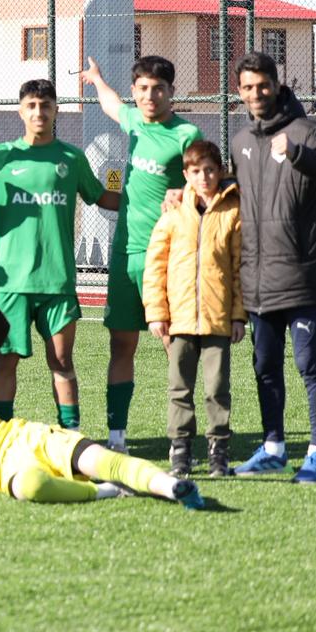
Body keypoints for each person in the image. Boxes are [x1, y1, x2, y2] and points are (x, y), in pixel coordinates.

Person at [0, 274, 205, 510]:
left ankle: (174, 488)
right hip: (2, 474)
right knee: (31, 487)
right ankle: (102, 492)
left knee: (102, 459)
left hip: (25, 438)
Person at [0, 79, 120, 429]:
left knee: (62, 361)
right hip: (12, 283)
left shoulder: (71, 157)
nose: (39, 112)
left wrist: (148, 198)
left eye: (46, 105)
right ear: (21, 111)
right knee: (5, 361)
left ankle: (71, 435)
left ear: (55, 110)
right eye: (32, 106)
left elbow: (101, 196)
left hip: (58, 280)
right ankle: (1, 435)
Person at [227, 51, 316, 483]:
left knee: (309, 364)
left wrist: (300, 154)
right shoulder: (240, 140)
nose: (256, 93)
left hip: (300, 277)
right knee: (264, 367)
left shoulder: (305, 130)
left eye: (262, 84)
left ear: (277, 84)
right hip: (258, 282)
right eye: (247, 87)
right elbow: (232, 195)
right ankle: (273, 447)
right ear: (240, 91)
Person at [78, 54, 203, 453]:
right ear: (136, 91)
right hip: (125, 255)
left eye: (159, 88)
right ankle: (117, 438)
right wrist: (97, 80)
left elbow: (209, 183)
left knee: (174, 344)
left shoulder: (187, 134)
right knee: (121, 344)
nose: (151, 95)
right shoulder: (133, 122)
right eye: (143, 89)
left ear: (171, 91)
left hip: (167, 256)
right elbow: (113, 106)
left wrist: (186, 193)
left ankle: (182, 435)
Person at [142, 140, 245, 478]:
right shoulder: (173, 214)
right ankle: (181, 451)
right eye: (197, 171)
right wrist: (157, 312)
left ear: (221, 172)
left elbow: (238, 267)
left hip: (217, 320)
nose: (204, 177)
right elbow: (155, 266)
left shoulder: (232, 212)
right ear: (186, 174)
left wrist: (237, 315)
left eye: (211, 170)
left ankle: (219, 451)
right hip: (180, 319)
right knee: (179, 388)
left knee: (217, 389)